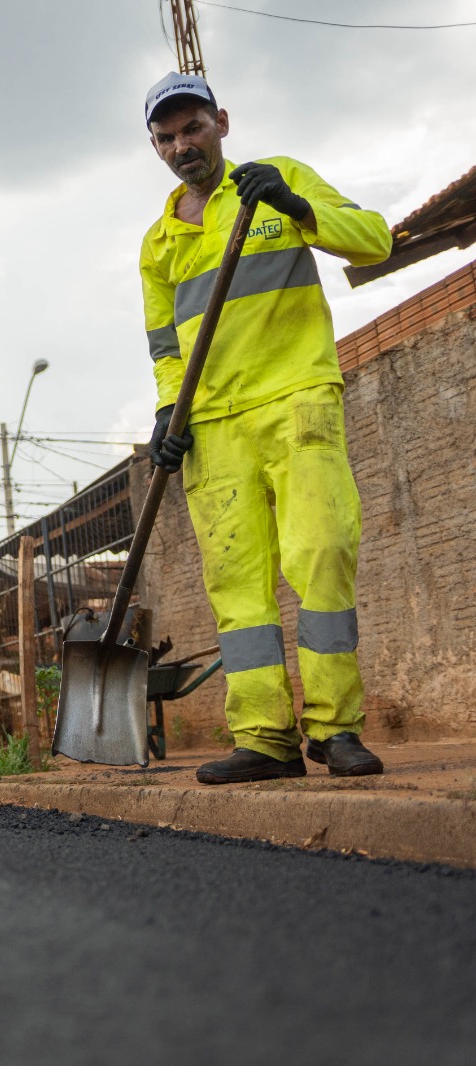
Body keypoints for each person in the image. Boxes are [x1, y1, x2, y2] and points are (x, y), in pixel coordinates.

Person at [138, 73, 392, 784]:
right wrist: (168, 410)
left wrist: (297, 207)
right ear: (154, 146)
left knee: (322, 551)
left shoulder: (276, 181)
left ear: (221, 121)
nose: (182, 145)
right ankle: (265, 739)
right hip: (213, 427)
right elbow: (165, 347)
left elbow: (374, 240)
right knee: (238, 588)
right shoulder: (158, 242)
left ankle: (336, 730)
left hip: (295, 397)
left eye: (192, 128)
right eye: (166, 137)